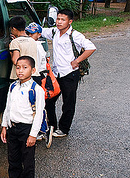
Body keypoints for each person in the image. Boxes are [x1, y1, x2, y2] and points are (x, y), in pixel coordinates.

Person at [0, 55, 44, 178]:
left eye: (25, 67)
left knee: (27, 161)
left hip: (27, 129)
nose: (20, 71)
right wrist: (4, 126)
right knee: (13, 159)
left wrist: (33, 135)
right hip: (13, 127)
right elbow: (8, 107)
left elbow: (39, 114)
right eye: (18, 67)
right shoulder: (13, 86)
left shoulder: (36, 90)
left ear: (33, 70)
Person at [41, 9, 96, 137]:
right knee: (49, 100)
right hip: (56, 73)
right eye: (58, 19)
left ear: (70, 22)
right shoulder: (54, 32)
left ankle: (64, 129)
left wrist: (77, 61)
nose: (59, 22)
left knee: (68, 102)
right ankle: (51, 126)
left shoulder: (75, 35)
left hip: (70, 74)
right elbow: (39, 31)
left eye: (63, 20)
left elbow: (91, 47)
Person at [8, 16, 41, 84]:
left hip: (21, 77)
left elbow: (15, 61)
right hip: (34, 74)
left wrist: (10, 50)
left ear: (14, 28)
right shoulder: (32, 40)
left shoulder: (15, 42)